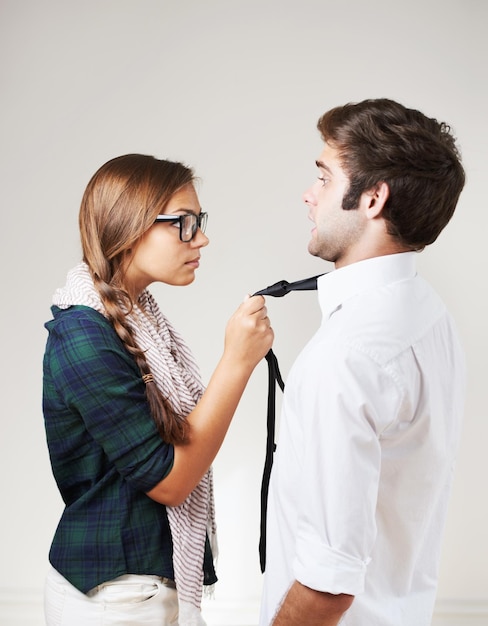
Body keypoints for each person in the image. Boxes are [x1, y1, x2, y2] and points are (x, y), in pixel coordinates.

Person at [42, 153, 273, 626]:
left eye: (199, 221)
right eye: (184, 223)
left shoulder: (137, 317)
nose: (201, 238)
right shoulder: (84, 336)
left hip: (140, 591)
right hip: (113, 601)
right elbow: (171, 481)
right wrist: (236, 362)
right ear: (129, 227)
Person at [259, 98, 466, 626]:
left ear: (372, 198)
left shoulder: (346, 357)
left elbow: (328, 586)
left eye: (324, 178)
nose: (308, 195)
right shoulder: (428, 316)